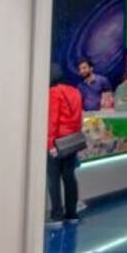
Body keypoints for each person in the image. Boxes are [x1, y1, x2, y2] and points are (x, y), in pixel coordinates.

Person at [46, 72, 84, 224]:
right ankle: (72, 213)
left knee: (53, 178)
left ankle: (57, 215)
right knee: (69, 177)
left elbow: (52, 119)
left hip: (58, 140)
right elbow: (79, 117)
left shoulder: (53, 92)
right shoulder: (75, 91)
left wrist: (49, 143)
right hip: (71, 141)